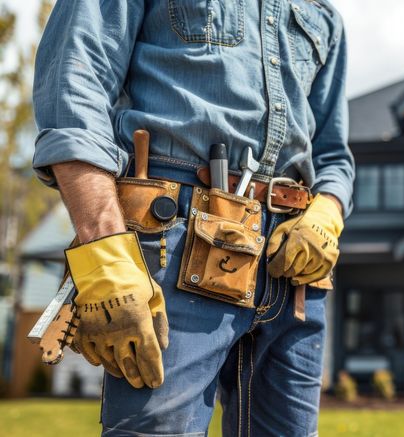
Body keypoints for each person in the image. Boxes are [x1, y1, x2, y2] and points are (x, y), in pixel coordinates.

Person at [32, 1, 354, 435]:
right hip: (175, 242)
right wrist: (103, 249)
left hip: (294, 266)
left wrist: (328, 210)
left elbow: (333, 154)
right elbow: (74, 89)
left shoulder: (323, 15)